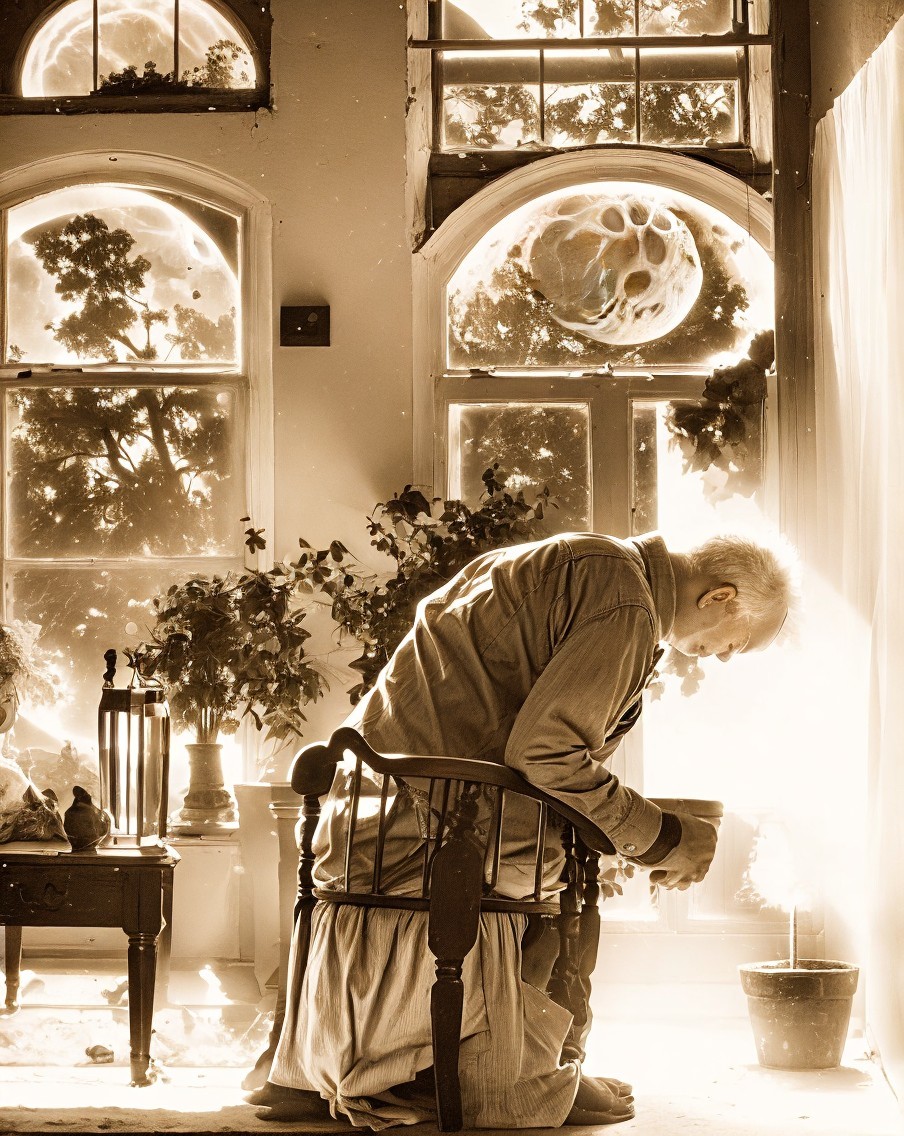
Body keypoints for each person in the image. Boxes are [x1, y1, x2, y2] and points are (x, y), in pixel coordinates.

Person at [252, 530, 797, 1128]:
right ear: (718, 597)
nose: (719, 658)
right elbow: (547, 752)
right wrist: (664, 838)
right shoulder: (626, 601)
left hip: (375, 815)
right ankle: (506, 1071)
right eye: (734, 645)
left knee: (562, 846)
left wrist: (642, 830)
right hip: (426, 833)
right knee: (556, 870)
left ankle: (465, 1059)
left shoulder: (588, 561)